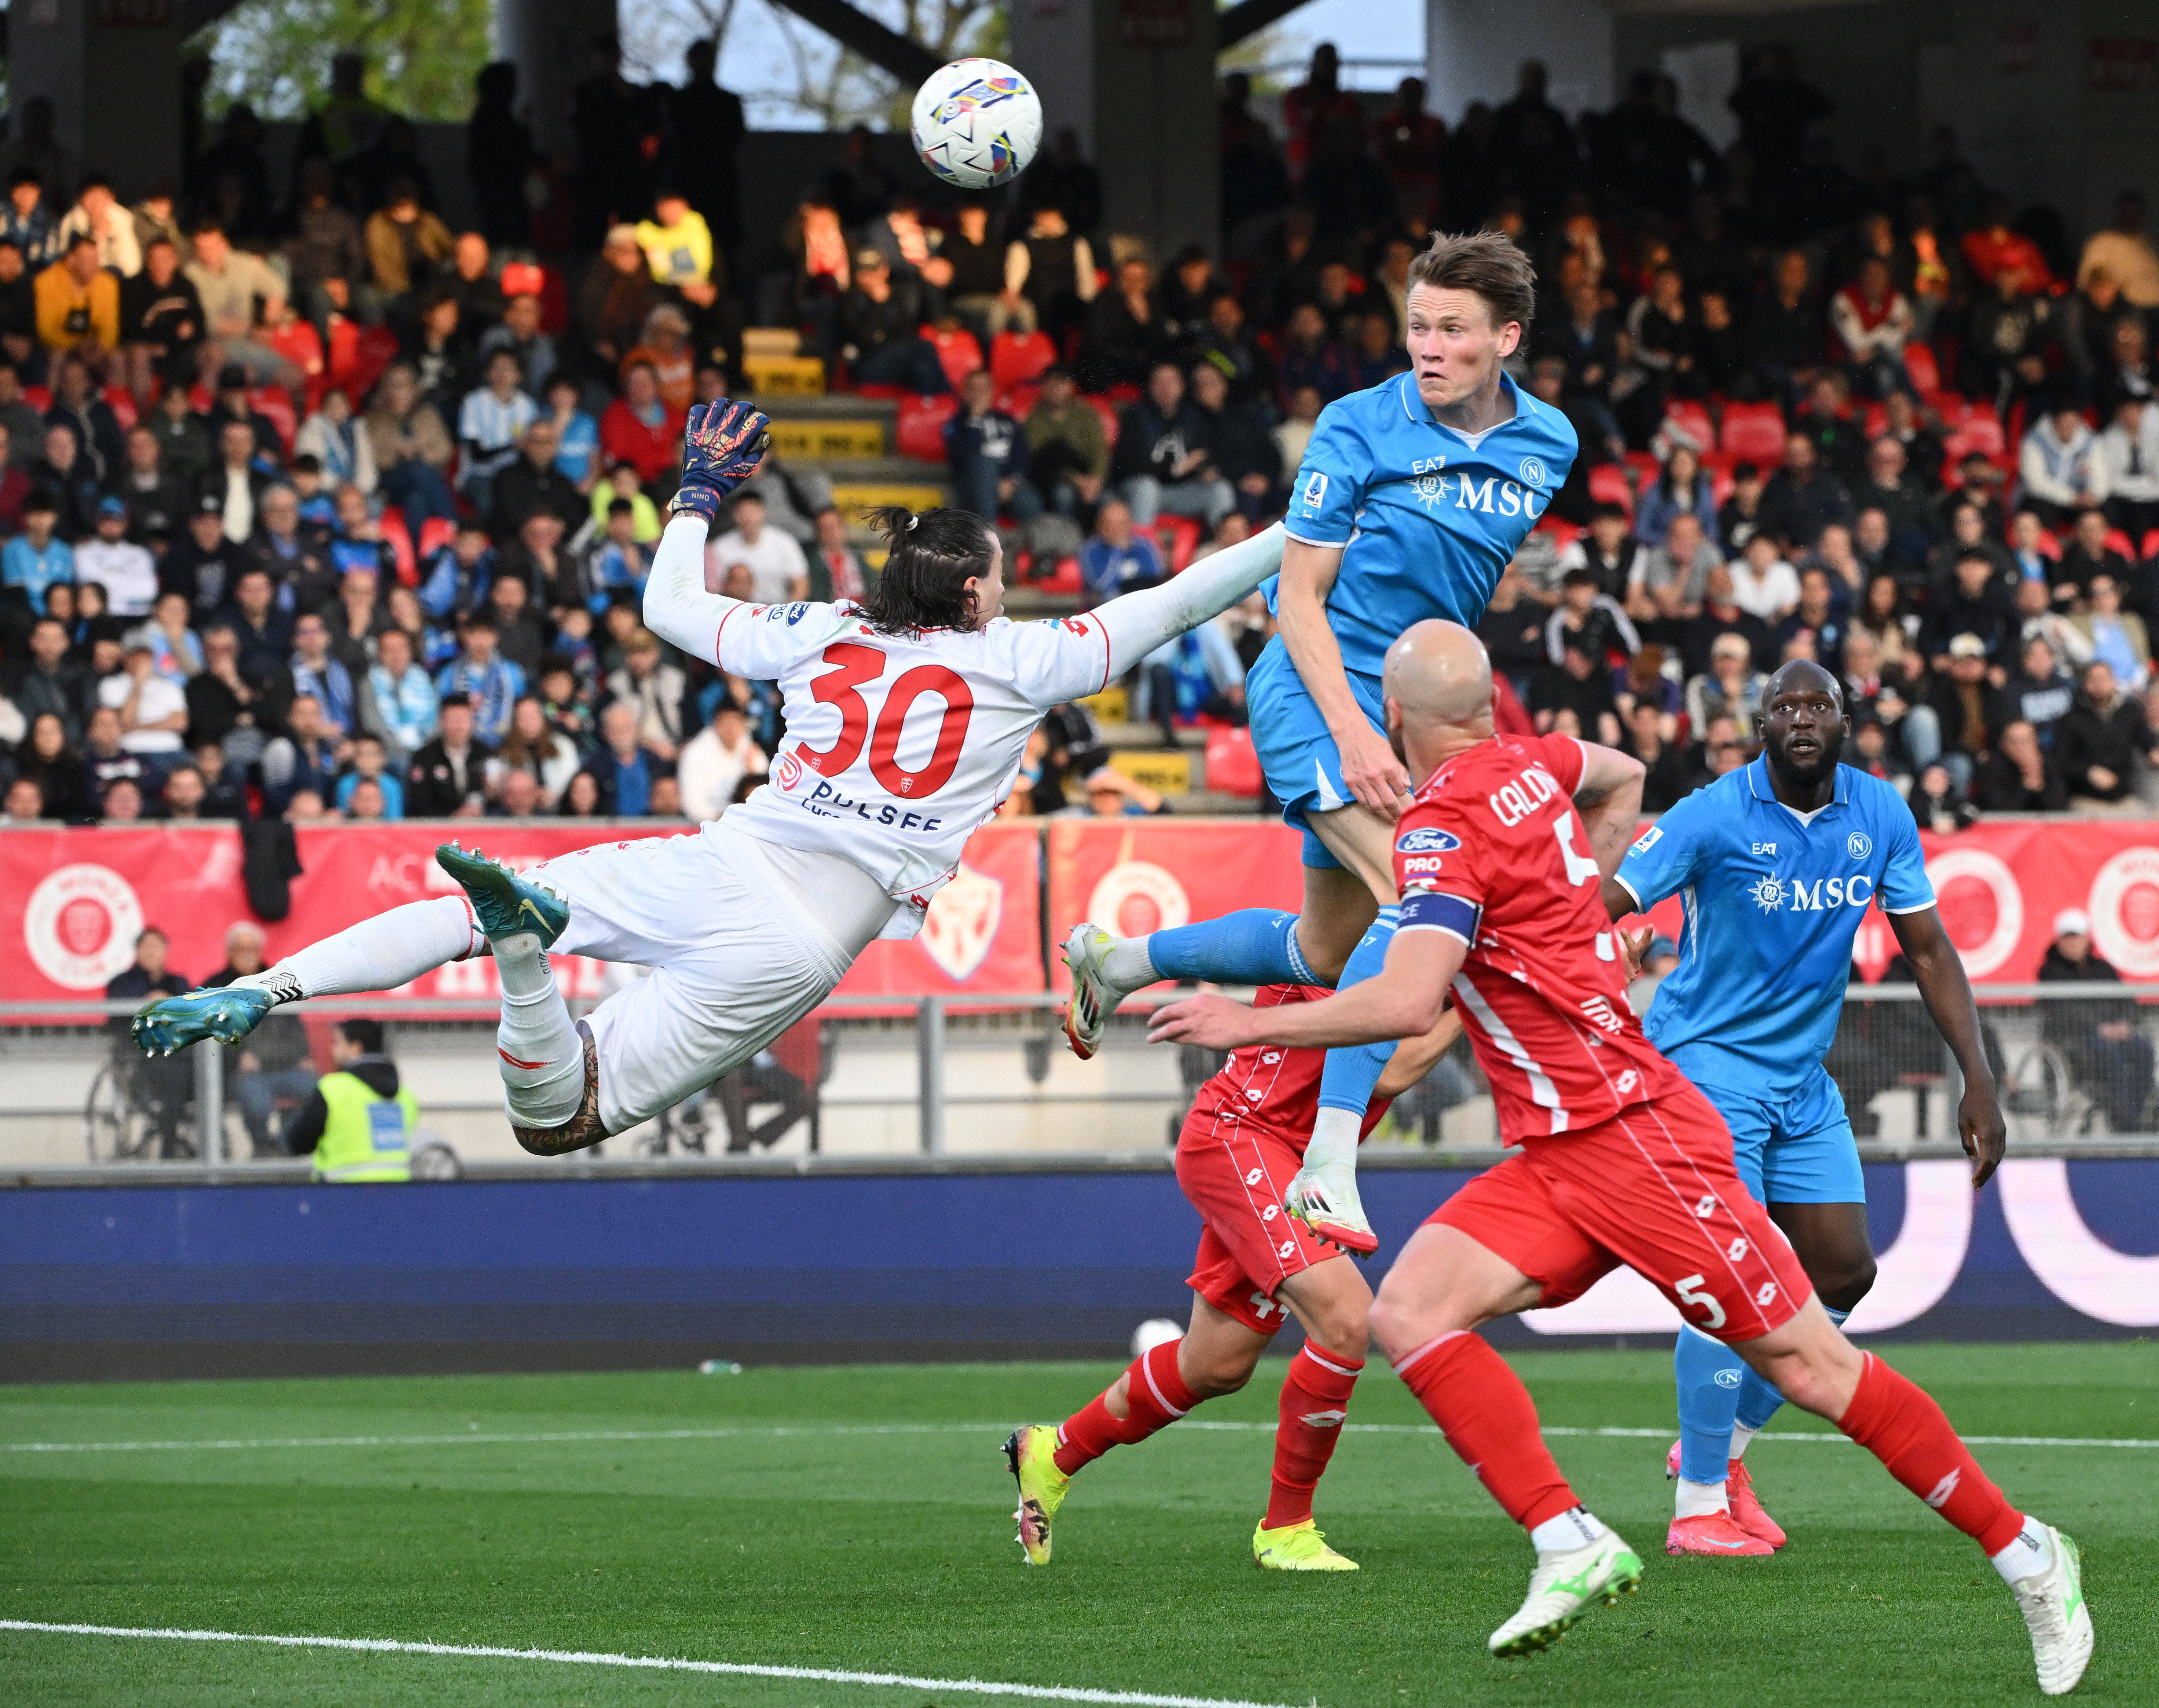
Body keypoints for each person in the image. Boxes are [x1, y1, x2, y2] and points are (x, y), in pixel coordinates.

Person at [1144, 620, 2089, 1690]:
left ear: (1394, 720)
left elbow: (1405, 1000)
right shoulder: (1533, 762)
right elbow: (1619, 770)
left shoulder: (1438, 822)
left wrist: (1245, 1022)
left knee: (1814, 1365)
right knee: (1406, 1311)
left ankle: (2029, 1553)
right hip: (1559, 1147)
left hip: (1636, 1137)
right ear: (1491, 707)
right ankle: (1568, 1538)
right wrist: (1582, 906)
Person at [132, 399, 1293, 1158]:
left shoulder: (824, 629)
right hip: (798, 933)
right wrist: (1300, 525)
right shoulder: (1030, 658)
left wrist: (694, 494)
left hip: (726, 857)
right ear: (981, 594)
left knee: (457, 923)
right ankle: (527, 949)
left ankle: (268, 990)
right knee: (562, 1118)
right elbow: (1175, 600)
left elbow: (667, 607)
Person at [1064, 234, 1576, 1258]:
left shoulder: (1549, 441)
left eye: (1453, 332)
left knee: (1329, 948)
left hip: (1409, 710)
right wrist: (1352, 728)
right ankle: (1330, 1158)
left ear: (1505, 340)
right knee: (1418, 895)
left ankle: (1118, 959)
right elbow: (1297, 597)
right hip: (1317, 687)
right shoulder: (1356, 425)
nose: (1428, 348)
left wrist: (1414, 721)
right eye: (1419, 325)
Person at [1601, 656, 2007, 1553]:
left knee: (1844, 1276)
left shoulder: (1879, 813)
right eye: (1781, 706)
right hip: (1706, 1068)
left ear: (1846, 719)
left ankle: (1721, 1450)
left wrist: (1979, 1076)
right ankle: (1699, 1508)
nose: (1799, 717)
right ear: (1759, 728)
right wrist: (1609, 941)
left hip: (1801, 1078)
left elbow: (1931, 951)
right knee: (1730, 1274)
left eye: (1815, 704)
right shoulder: (1712, 811)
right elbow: (1608, 895)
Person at [1007, 989, 1463, 1572]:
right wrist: (1487, 996)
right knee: (1346, 1316)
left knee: (1216, 1363)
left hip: (1286, 1157)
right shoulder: (1376, 933)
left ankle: (1053, 1451)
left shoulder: (1434, 939)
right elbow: (1390, 1069)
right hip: (1241, 1135)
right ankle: (1287, 1528)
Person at [205, 921, 318, 1156]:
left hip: (285, 1067)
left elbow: (297, 1033)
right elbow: (211, 1037)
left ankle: (287, 1144)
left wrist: (302, 1057)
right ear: (229, 952)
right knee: (257, 1104)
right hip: (242, 1073)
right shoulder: (214, 987)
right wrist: (238, 1058)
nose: (247, 954)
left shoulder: (280, 984)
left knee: (318, 1091)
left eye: (252, 948)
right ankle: (264, 1147)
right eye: (240, 948)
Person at [2039, 908, 2154, 1133]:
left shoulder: (2103, 969)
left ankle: (2137, 1119)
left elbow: (2127, 1001)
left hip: (2112, 1039)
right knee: (2108, 1055)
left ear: (2088, 938)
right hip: (2074, 1043)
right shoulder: (2050, 972)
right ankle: (2127, 1127)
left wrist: (2125, 1024)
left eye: (2078, 937)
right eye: (2068, 937)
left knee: (2142, 1048)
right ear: (2059, 941)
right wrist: (2100, 1029)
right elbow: (2063, 1012)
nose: (2074, 943)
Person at [282, 1018, 415, 1183]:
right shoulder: (404, 1098)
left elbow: (298, 1143)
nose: (333, 1051)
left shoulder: (334, 1089)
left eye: (338, 1043)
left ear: (355, 1049)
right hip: (399, 1193)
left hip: (343, 1195)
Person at [110, 925, 194, 1155]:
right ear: (137, 951)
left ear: (166, 952)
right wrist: (147, 1003)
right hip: (141, 1058)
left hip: (181, 1054)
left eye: (157, 946)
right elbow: (117, 1023)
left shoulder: (178, 983)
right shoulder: (122, 984)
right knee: (176, 1074)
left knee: (197, 1065)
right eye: (146, 946)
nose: (152, 952)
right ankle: (169, 1146)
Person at [706, 490, 806, 604]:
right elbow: (713, 590)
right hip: (736, 612)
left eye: (752, 512)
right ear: (733, 515)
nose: (748, 518)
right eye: (742, 513)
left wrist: (784, 614)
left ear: (763, 512)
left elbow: (801, 585)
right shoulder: (720, 547)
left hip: (776, 611)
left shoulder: (785, 542)